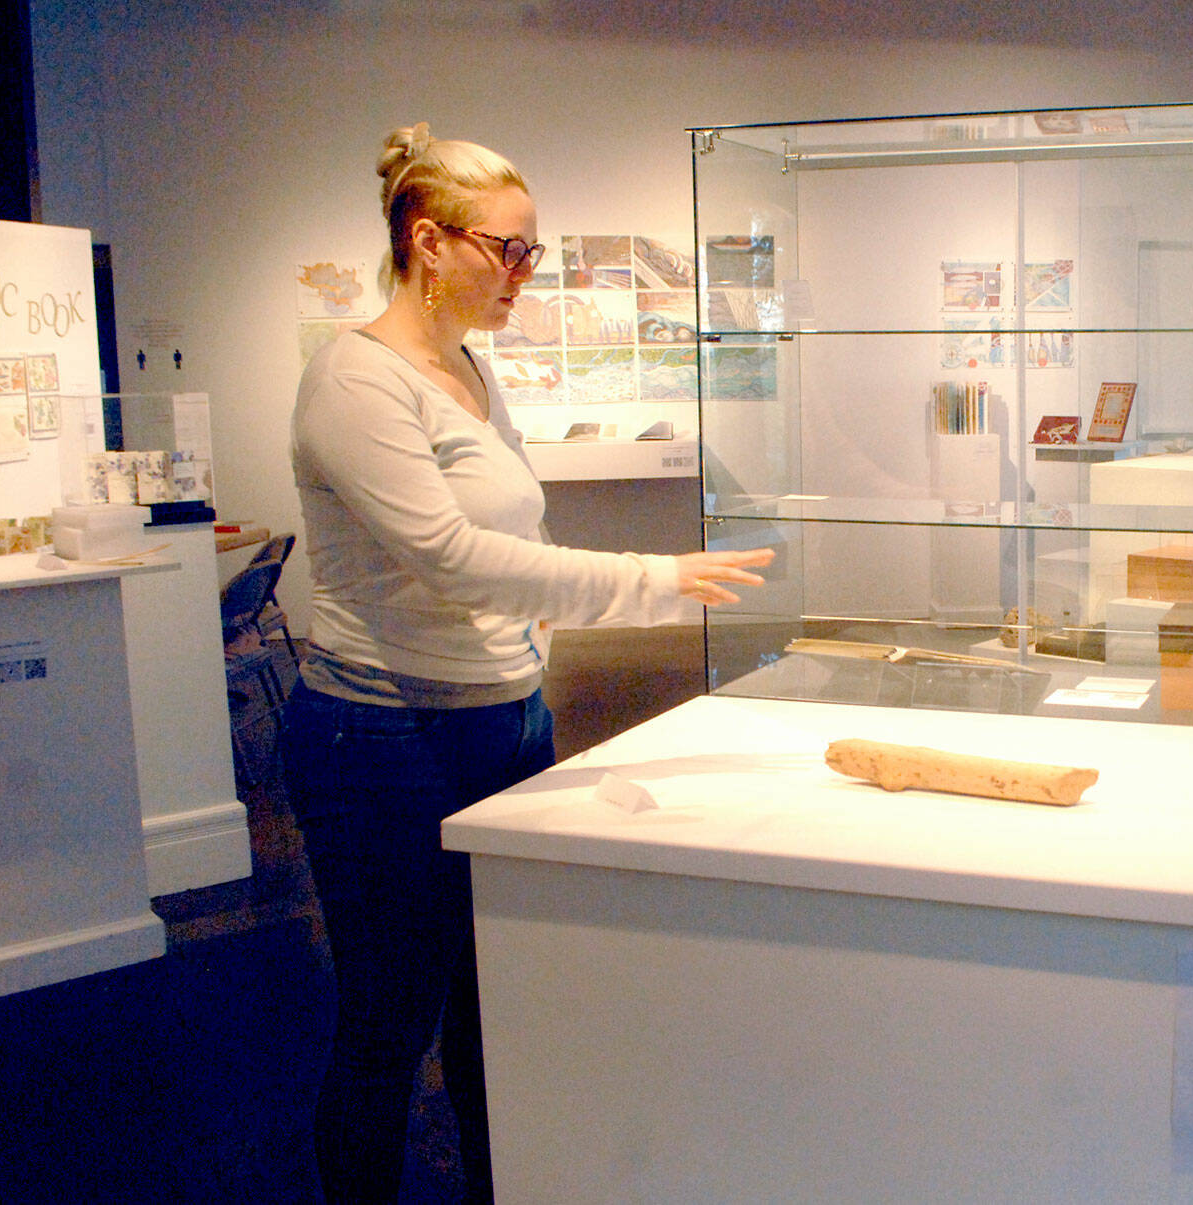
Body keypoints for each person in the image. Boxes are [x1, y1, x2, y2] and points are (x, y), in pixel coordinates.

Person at [280, 122, 772, 1204]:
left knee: (493, 1004)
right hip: (383, 741)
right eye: (507, 249)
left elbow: (514, 543)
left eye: (530, 252)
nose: (522, 275)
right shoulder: (355, 383)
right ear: (426, 240)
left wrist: (535, 646)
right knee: (388, 1021)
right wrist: (651, 580)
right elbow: (452, 558)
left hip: (497, 720)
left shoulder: (465, 370)